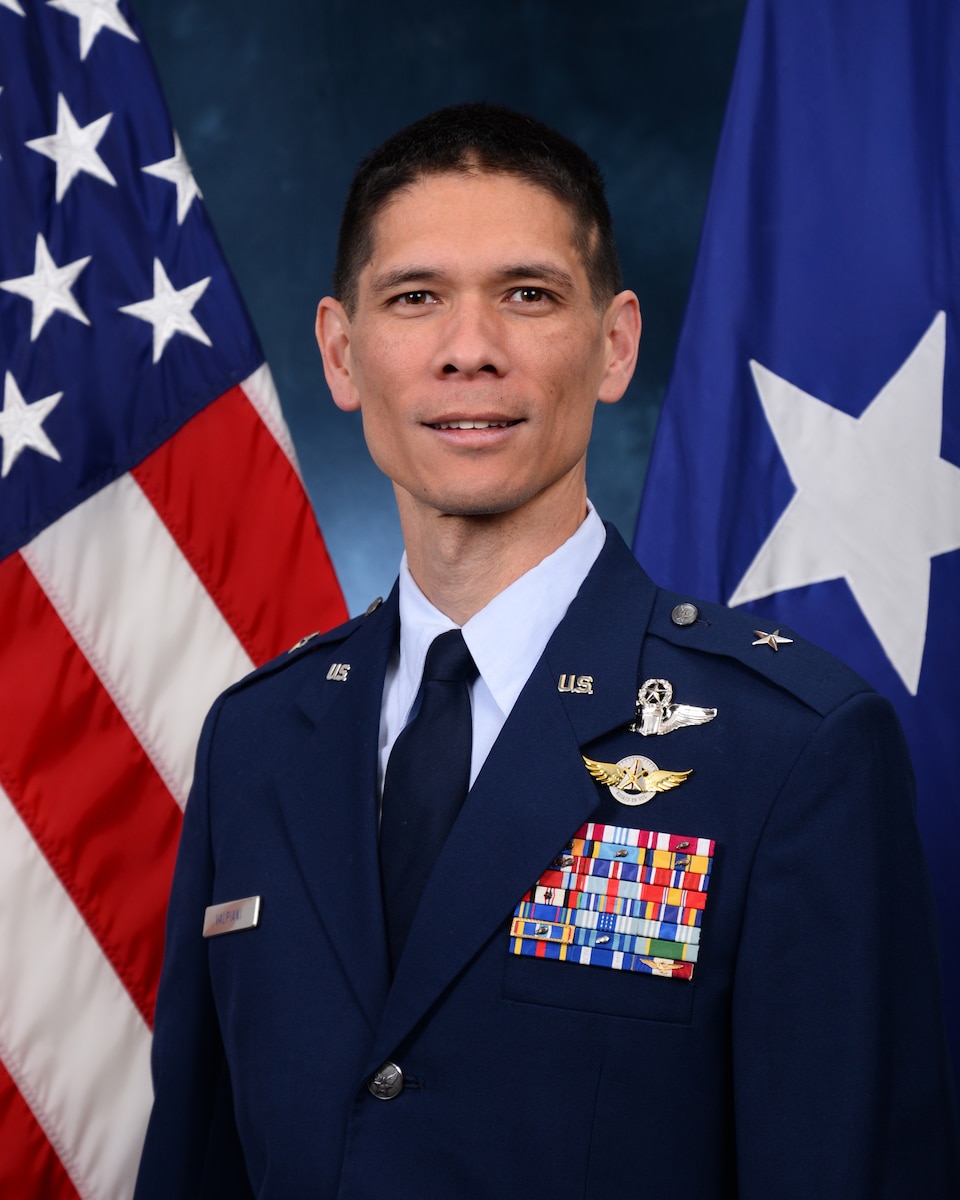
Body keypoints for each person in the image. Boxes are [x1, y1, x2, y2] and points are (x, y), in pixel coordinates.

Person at [134, 104, 959, 1199]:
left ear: (615, 346)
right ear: (342, 352)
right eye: (415, 298)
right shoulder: (257, 739)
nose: (470, 350)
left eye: (528, 296)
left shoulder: (791, 753)